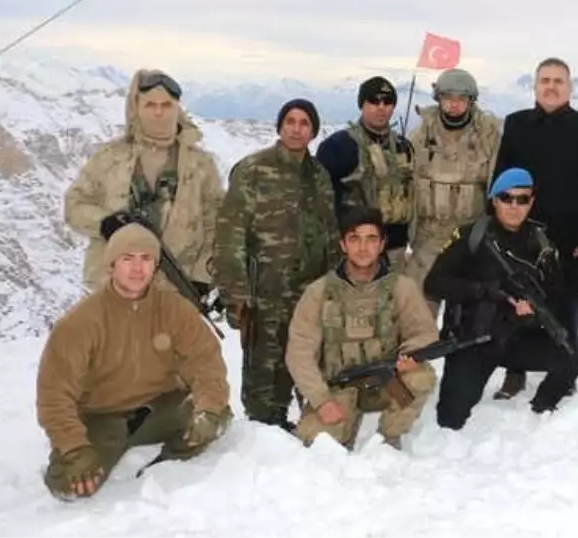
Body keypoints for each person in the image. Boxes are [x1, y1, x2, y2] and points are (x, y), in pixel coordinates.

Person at [36, 222, 231, 499]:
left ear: (155, 265)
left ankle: (169, 459)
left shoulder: (175, 309)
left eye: (146, 259)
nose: (138, 269)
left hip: (162, 408)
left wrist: (208, 409)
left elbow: (205, 362)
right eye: (128, 259)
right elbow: (54, 394)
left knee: (216, 416)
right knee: (70, 484)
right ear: (112, 265)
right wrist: (74, 446)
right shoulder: (80, 322)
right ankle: (98, 451)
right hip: (102, 417)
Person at [424, 168, 578, 429]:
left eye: (522, 199)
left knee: (572, 356)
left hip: (515, 338)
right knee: (450, 420)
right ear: (494, 200)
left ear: (532, 201)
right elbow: (434, 283)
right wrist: (485, 291)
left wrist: (532, 316)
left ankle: (539, 412)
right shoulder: (470, 237)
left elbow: (554, 299)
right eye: (506, 198)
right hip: (473, 339)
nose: (514, 206)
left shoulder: (542, 244)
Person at [213, 99, 341, 430]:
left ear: (313, 131)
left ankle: (309, 427)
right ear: (280, 126)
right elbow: (230, 235)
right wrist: (236, 294)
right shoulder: (253, 170)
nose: (296, 128)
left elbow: (330, 233)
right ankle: (263, 434)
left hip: (310, 291)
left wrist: (338, 284)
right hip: (265, 291)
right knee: (265, 371)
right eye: (290, 121)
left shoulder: (319, 176)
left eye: (304, 123)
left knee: (306, 360)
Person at [490, 58, 578, 400]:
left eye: (558, 80)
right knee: (516, 299)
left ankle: (565, 369)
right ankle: (515, 372)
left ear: (569, 88)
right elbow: (501, 177)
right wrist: (500, 225)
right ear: (535, 86)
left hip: (569, 233)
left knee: (567, 303)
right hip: (519, 228)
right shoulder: (515, 124)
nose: (551, 86)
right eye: (545, 80)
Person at [285, 207, 439, 450]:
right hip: (339, 387)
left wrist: (410, 355)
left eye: (371, 239)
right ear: (343, 244)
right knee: (313, 445)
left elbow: (424, 333)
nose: (363, 247)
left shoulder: (402, 288)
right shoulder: (319, 292)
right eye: (354, 239)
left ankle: (389, 437)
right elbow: (299, 352)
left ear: (382, 244)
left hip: (387, 382)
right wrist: (321, 400)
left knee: (421, 377)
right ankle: (342, 427)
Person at [64, 68, 223, 299]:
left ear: (177, 109)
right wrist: (105, 223)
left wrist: (202, 277)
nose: (158, 113)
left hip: (175, 289)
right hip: (112, 287)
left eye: (166, 105)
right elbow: (74, 206)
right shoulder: (110, 157)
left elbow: (216, 225)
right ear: (137, 108)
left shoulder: (200, 165)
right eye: (150, 105)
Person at [406, 68, 502, 306]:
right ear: (439, 99)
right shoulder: (420, 136)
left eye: (462, 99)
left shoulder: (487, 137)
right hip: (428, 238)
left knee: (470, 318)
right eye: (448, 98)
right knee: (418, 316)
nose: (455, 105)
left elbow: (496, 189)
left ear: (471, 101)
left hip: (470, 242)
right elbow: (408, 187)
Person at [316, 76, 415, 270]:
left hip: (394, 249)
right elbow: (319, 199)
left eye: (387, 102)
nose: (381, 107)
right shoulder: (339, 146)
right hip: (353, 249)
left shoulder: (404, 147)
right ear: (362, 104)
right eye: (373, 101)